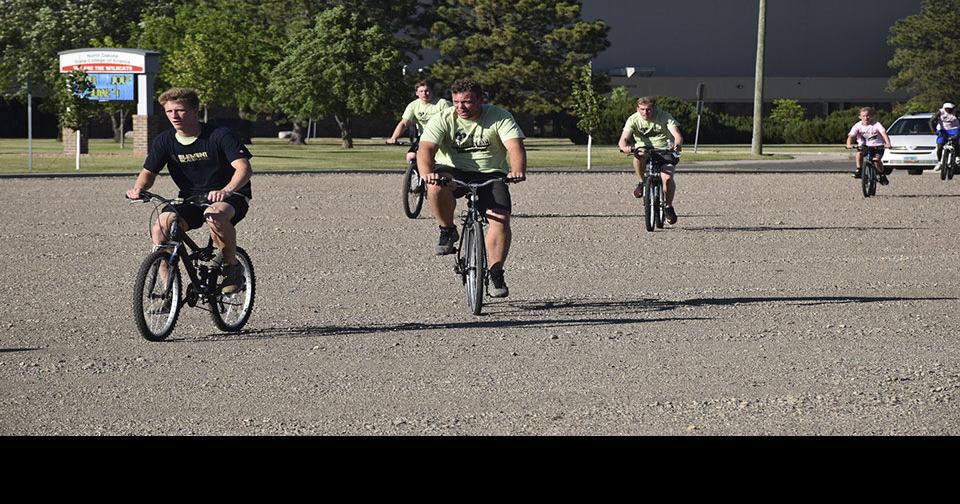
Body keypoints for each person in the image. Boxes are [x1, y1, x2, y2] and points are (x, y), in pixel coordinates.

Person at [125, 87, 253, 294]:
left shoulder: (220, 135)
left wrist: (226, 190)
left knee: (214, 215)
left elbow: (244, 169)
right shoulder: (165, 140)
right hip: (190, 198)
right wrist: (139, 188)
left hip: (230, 195)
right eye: (169, 111)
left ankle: (232, 268)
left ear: (195, 111)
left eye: (180, 110)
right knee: (161, 229)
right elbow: (148, 173)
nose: (174, 116)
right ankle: (169, 292)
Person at [417, 78, 526, 298]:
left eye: (466, 102)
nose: (460, 107)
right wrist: (427, 174)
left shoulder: (499, 116)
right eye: (456, 102)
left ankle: (496, 272)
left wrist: (517, 170)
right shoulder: (443, 118)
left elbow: (514, 146)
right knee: (436, 187)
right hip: (453, 170)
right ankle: (447, 230)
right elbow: (426, 149)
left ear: (480, 100)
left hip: (490, 172)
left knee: (501, 219)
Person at [618, 97, 683, 225]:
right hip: (644, 149)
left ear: (654, 108)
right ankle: (642, 182)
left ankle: (668, 206)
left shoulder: (665, 116)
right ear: (637, 109)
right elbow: (623, 138)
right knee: (638, 156)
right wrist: (624, 147)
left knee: (667, 178)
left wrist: (677, 144)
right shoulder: (633, 119)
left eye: (648, 110)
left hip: (665, 150)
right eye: (642, 109)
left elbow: (677, 135)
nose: (645, 113)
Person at [386, 80, 451, 164]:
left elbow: (452, 122)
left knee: (437, 159)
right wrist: (394, 138)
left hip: (442, 136)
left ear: (432, 92)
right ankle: (417, 175)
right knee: (411, 156)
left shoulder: (443, 104)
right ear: (417, 93)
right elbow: (404, 123)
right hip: (424, 137)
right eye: (421, 91)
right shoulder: (413, 105)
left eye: (427, 91)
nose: (424, 93)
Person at [846, 106, 892, 183]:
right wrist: (849, 144)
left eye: (867, 115)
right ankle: (859, 170)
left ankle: (881, 174)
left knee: (876, 160)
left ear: (871, 116)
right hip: (864, 146)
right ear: (860, 117)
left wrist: (888, 143)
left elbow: (884, 133)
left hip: (877, 146)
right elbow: (850, 136)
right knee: (859, 153)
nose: (866, 118)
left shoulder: (876, 124)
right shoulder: (857, 126)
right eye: (863, 116)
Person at [929, 102, 959, 171]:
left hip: (954, 129)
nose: (948, 110)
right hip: (943, 129)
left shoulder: (956, 112)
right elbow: (931, 121)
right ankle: (939, 162)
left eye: (950, 109)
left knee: (956, 142)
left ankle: (957, 157)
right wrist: (933, 131)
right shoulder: (940, 112)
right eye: (947, 109)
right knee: (939, 146)